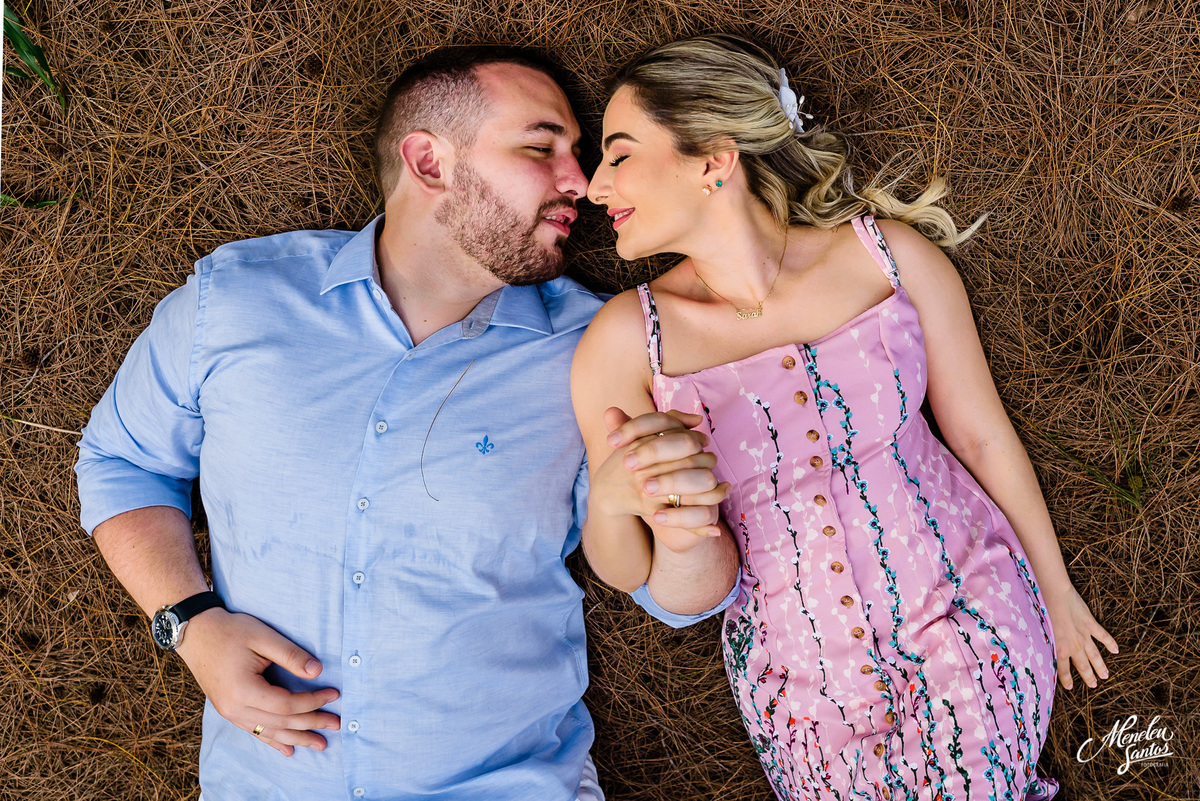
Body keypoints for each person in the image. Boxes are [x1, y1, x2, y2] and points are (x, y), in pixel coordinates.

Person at [74, 45, 701, 800]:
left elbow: (671, 589)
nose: (585, 184)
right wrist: (190, 622)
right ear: (428, 162)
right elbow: (119, 460)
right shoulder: (235, 302)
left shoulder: (598, 350)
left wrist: (677, 510)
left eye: (582, 156)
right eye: (543, 148)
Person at [572, 34, 1120, 801]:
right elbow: (630, 569)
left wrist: (1057, 594)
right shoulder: (628, 341)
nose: (595, 186)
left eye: (619, 154)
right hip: (799, 682)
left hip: (963, 613)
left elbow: (982, 434)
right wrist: (611, 498)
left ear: (713, 160)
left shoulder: (886, 259)